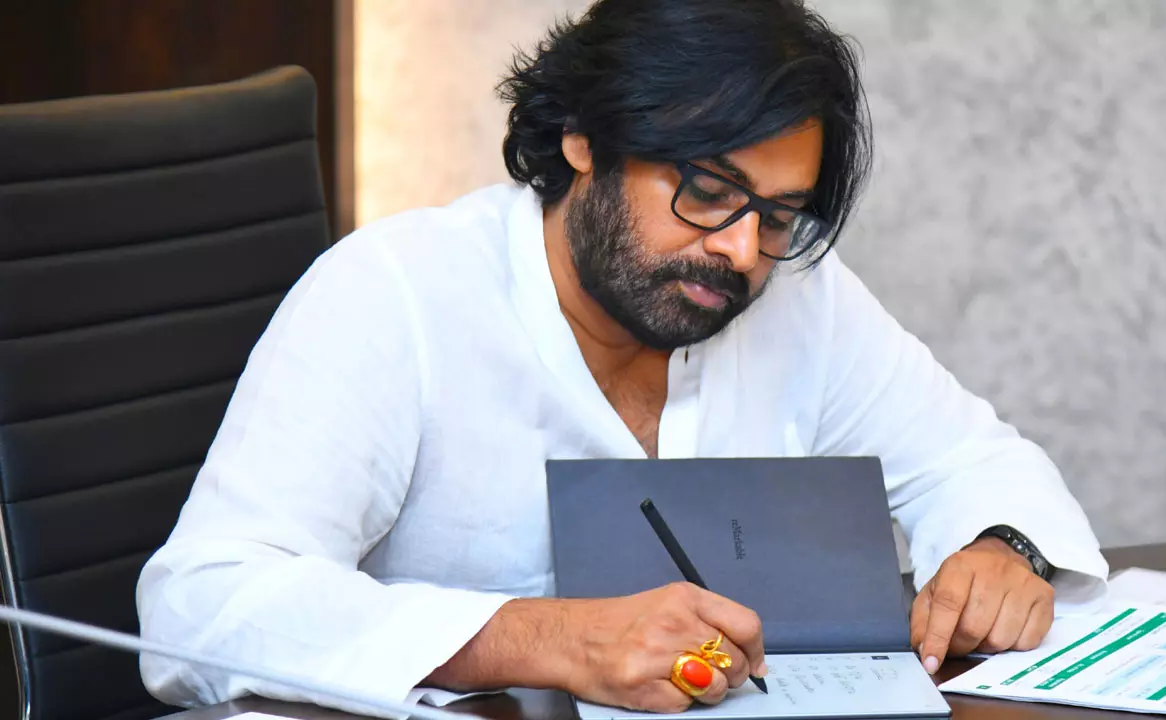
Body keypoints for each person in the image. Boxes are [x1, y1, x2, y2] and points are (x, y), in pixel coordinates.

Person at [136, 0, 1109, 714]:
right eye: (706, 191)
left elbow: (976, 462)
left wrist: (1002, 548)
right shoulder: (397, 294)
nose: (741, 250)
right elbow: (200, 604)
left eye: (777, 215)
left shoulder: (795, 297)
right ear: (584, 139)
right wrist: (543, 637)